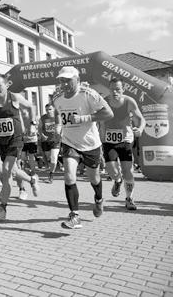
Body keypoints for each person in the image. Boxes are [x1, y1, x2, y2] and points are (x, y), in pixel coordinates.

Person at [52, 66, 113, 229]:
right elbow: (59, 115)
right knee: (69, 176)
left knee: (94, 178)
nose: (64, 84)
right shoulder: (57, 98)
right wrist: (59, 127)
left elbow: (108, 113)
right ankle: (74, 215)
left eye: (68, 80)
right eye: (61, 80)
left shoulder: (88, 94)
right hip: (69, 143)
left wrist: (85, 118)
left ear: (77, 80)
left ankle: (99, 199)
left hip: (90, 144)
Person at [0, 74, 40, 220]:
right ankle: (32, 180)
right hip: (0, 141)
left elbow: (31, 106)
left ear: (6, 85)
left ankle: (2, 208)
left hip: (15, 140)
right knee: (2, 171)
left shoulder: (15, 97)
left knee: (6, 171)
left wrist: (32, 124)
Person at [99, 78, 145, 210]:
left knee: (128, 171)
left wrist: (140, 129)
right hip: (109, 141)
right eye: (112, 89)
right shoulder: (104, 102)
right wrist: (100, 140)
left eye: (118, 89)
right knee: (112, 170)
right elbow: (99, 122)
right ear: (109, 89)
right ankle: (118, 181)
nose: (115, 92)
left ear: (122, 90)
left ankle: (129, 198)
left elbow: (141, 118)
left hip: (125, 140)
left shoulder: (129, 101)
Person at [39, 103, 61, 183]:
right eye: (47, 110)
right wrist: (42, 135)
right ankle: (56, 164)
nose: (48, 111)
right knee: (49, 158)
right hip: (46, 141)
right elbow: (39, 128)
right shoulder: (43, 118)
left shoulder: (57, 117)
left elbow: (61, 126)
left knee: (53, 157)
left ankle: (51, 175)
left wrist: (59, 134)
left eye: (50, 109)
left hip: (55, 141)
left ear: (54, 109)